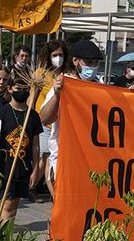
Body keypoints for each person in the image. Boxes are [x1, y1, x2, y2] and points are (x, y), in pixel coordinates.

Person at [39, 39, 104, 191]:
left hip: (91, 163)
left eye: (96, 63)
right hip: (65, 160)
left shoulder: (100, 87)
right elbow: (45, 118)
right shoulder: (64, 84)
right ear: (75, 61)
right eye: (88, 62)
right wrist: (56, 95)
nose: (92, 67)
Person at [0, 81, 43, 222]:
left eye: (25, 88)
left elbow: (35, 145)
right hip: (6, 166)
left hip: (23, 167)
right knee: (7, 205)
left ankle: (6, 234)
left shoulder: (33, 115)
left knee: (14, 205)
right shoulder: (2, 113)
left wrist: (35, 169)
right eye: (18, 87)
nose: (22, 91)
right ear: (9, 89)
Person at [31, 39, 69, 199]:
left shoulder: (66, 74)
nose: (58, 58)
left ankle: (45, 189)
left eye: (61, 54)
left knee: (48, 158)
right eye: (55, 55)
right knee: (46, 157)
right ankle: (40, 187)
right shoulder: (41, 74)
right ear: (48, 56)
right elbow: (32, 98)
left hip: (60, 123)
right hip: (43, 122)